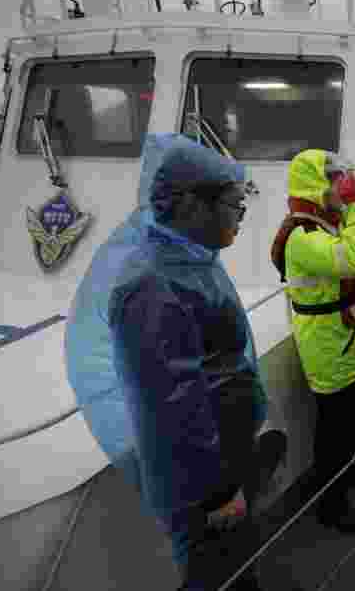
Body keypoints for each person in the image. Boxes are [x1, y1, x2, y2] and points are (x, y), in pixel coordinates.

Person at [66, 133, 285, 591]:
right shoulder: (153, 287)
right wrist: (219, 493)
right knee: (217, 572)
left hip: (225, 458)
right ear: (190, 205)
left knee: (237, 566)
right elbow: (172, 410)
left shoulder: (186, 262)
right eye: (234, 205)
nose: (242, 217)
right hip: (206, 486)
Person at [275, 150, 355, 533]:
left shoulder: (321, 228)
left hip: (340, 339)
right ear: (316, 186)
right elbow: (353, 260)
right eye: (335, 180)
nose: (341, 187)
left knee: (346, 416)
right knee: (332, 427)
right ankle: (331, 505)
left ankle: (343, 470)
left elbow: (350, 269)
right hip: (326, 343)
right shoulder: (301, 236)